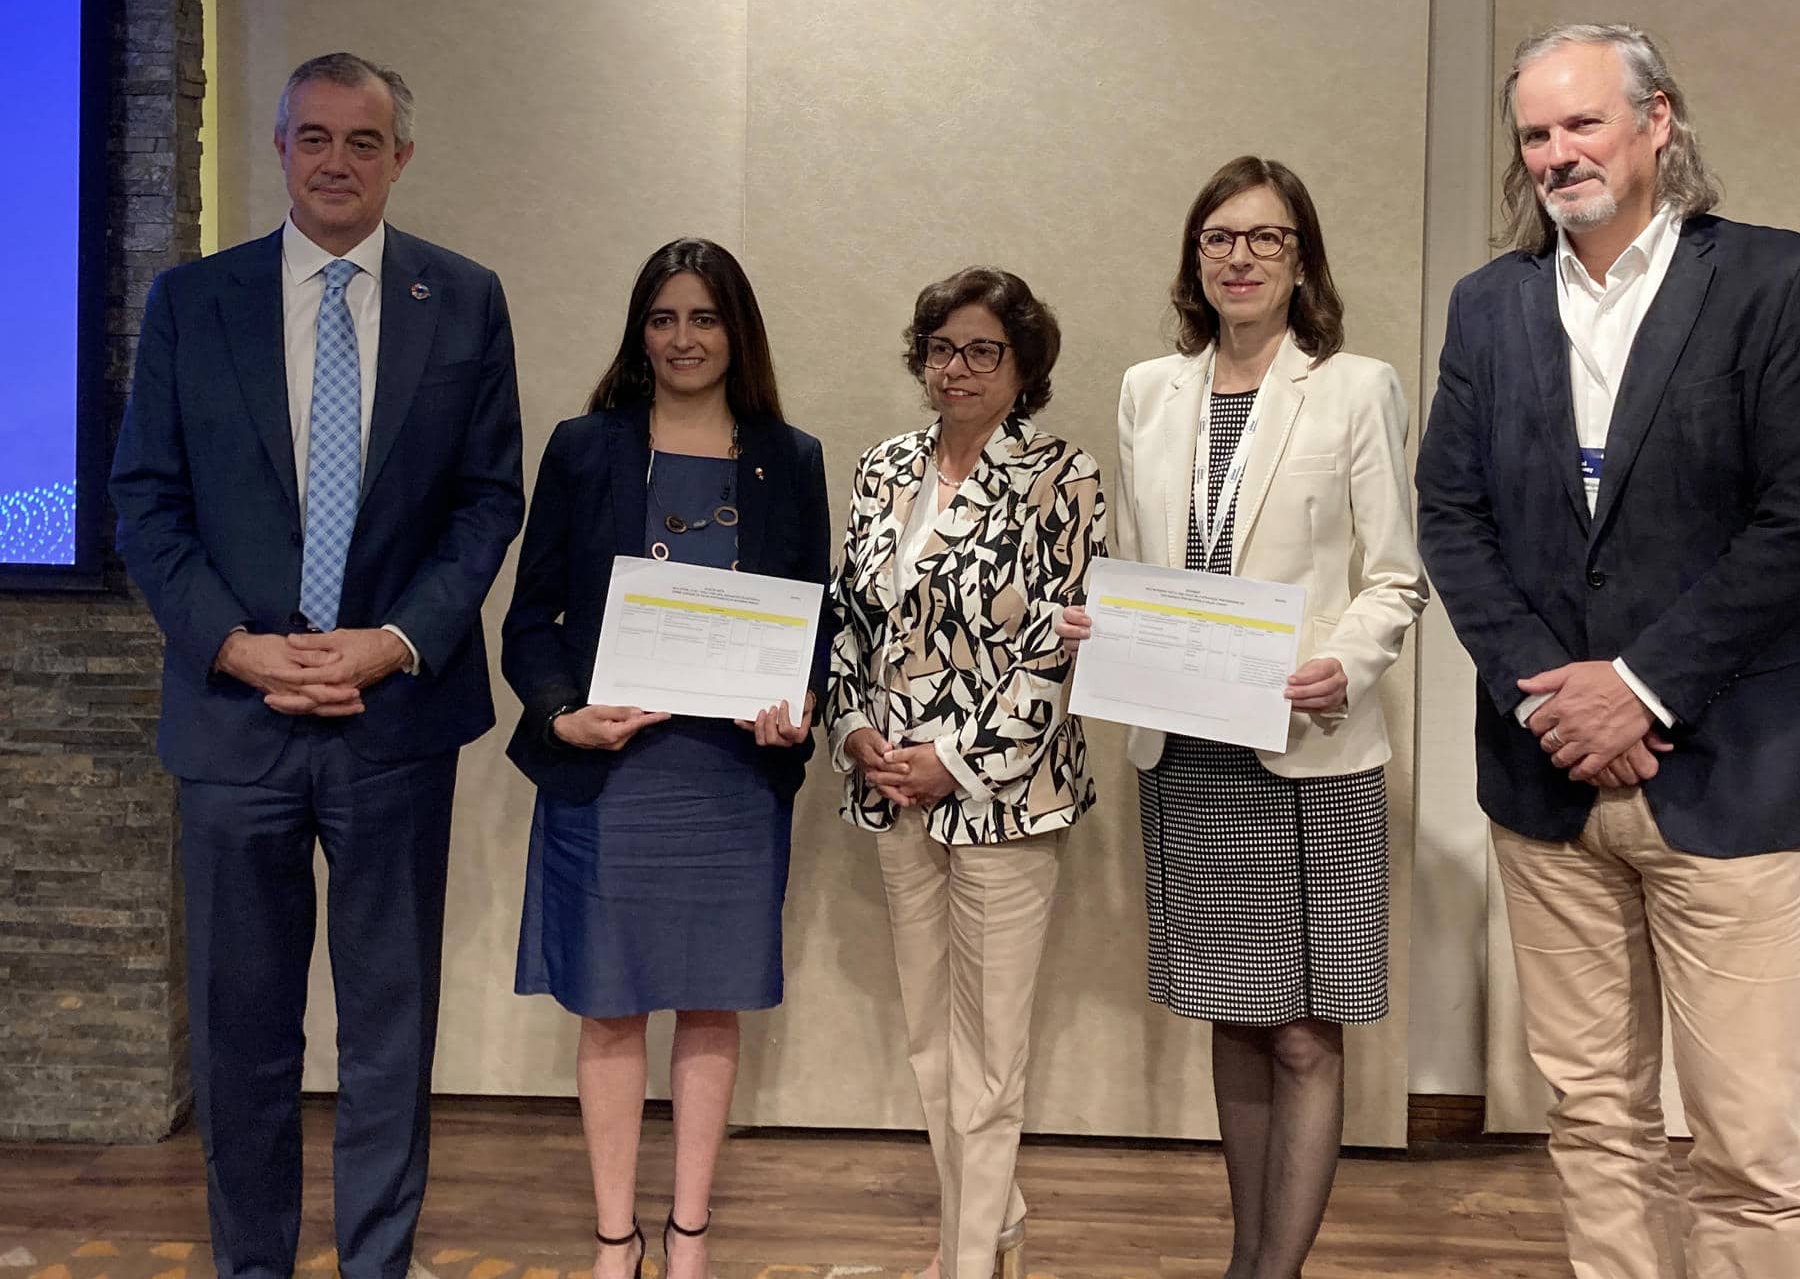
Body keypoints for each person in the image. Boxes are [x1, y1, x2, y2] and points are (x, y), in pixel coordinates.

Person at [1417, 23, 1800, 1279]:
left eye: (1582, 123)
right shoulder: (1490, 305)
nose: (1557, 153)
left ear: (1658, 122)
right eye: (1534, 133)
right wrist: (1553, 706)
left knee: (1744, 1143)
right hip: (1548, 781)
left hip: (1733, 770)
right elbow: (1451, 522)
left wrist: (1639, 685)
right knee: (1593, 1122)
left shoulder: (1773, 281)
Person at [108, 52, 524, 1279]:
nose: (336, 160)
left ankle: (378, 1264)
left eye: (363, 140)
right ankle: (251, 1265)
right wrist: (237, 649)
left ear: (402, 157)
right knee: (242, 1029)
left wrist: (392, 643)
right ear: (279, 148)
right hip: (236, 722)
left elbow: (486, 503)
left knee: (391, 1029)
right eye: (313, 138)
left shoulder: (465, 297)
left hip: (393, 719)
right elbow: (148, 501)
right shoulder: (195, 301)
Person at [1058, 155, 1425, 1279]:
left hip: (1307, 748)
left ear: (1300, 258)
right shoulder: (1146, 391)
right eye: (1221, 237)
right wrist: (1103, 626)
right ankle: (1241, 1259)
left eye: (1266, 238)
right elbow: (1144, 564)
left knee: (1307, 1034)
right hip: (1186, 747)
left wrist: (1344, 664)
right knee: (1233, 1014)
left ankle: (1279, 1272)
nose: (1241, 257)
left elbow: (1395, 577)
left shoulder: (1357, 386)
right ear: (1195, 257)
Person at [500, 238, 831, 1279]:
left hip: (730, 782)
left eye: (705, 318)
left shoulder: (793, 455)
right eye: (664, 318)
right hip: (616, 773)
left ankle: (688, 1234)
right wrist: (561, 715)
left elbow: (813, 623)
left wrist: (800, 706)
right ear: (640, 332)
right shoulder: (583, 446)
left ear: (738, 332)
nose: (684, 339)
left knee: (709, 998)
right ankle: (615, 1237)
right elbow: (528, 621)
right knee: (610, 1003)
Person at [826, 267, 1103, 1279]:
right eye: (942, 347)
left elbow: (1058, 646)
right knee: (928, 1041)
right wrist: (854, 730)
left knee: (991, 1056)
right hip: (888, 787)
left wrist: (953, 760)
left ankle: (968, 1259)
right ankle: (996, 1225)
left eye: (983, 350)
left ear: (1022, 365)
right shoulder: (882, 467)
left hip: (1006, 798)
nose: (958, 367)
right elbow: (849, 621)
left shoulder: (1062, 475)